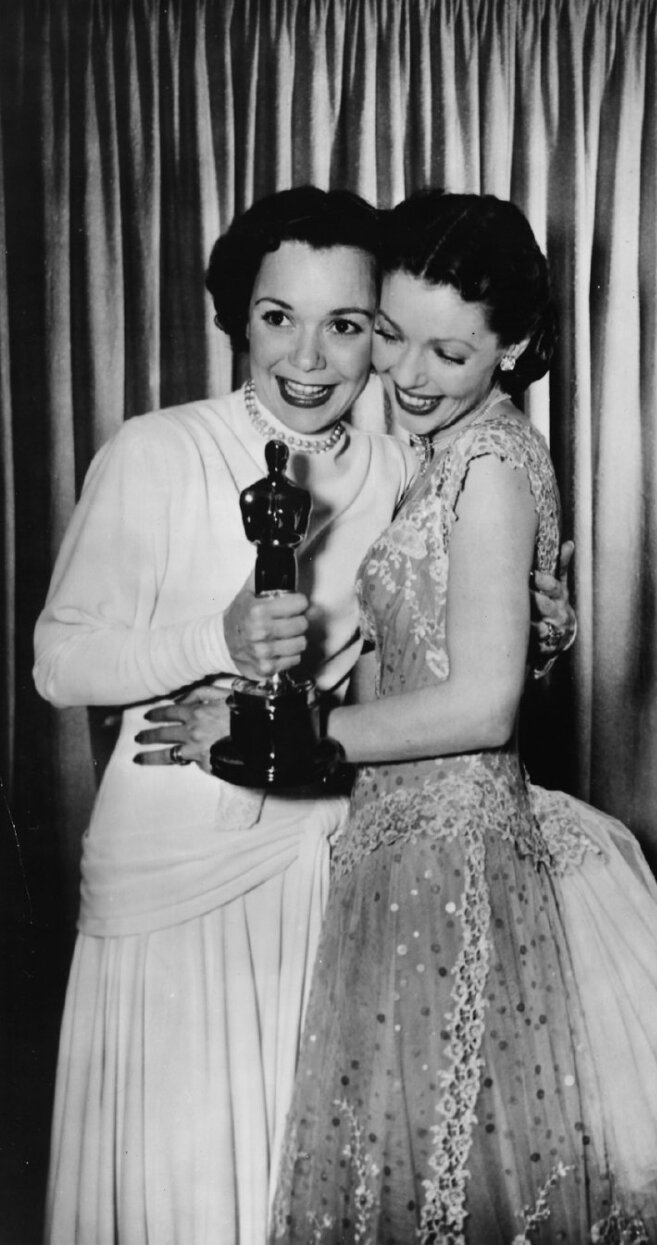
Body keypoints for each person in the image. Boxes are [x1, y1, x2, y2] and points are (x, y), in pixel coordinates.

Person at [33, 186, 573, 1245]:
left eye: (347, 324)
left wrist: (531, 624)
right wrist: (212, 645)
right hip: (171, 862)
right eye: (279, 317)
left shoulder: (398, 462)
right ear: (240, 317)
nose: (312, 358)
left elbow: (433, 662)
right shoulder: (156, 451)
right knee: (173, 1185)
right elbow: (60, 662)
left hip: (325, 859)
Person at [269, 191, 657, 1243]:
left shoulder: (486, 462)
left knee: (453, 1186)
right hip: (406, 849)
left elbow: (482, 705)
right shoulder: (454, 454)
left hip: (451, 862)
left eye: (448, 351)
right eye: (391, 336)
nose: (405, 375)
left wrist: (300, 738)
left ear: (516, 345)